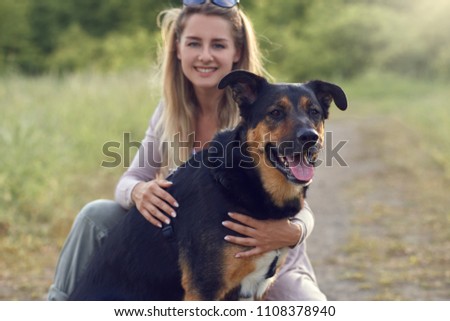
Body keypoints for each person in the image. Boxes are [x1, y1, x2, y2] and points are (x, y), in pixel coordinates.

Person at [48, 0, 326, 301]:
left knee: (309, 307)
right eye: (195, 43)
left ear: (237, 52)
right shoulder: (172, 110)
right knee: (96, 215)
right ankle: (59, 307)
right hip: (200, 243)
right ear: (178, 49)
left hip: (275, 249)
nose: (205, 56)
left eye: (218, 45)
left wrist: (294, 231)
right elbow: (133, 177)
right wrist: (138, 191)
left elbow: (295, 195)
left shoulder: (260, 105)